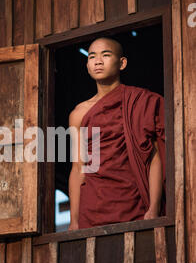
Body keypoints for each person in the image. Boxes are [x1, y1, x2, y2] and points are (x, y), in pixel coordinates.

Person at [68, 37, 165, 230]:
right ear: (87, 65)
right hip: (93, 207)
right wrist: (74, 220)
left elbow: (154, 157)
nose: (98, 61)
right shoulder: (79, 114)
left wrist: (154, 208)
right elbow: (79, 167)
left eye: (106, 55)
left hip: (134, 201)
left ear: (122, 63)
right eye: (92, 56)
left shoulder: (141, 101)